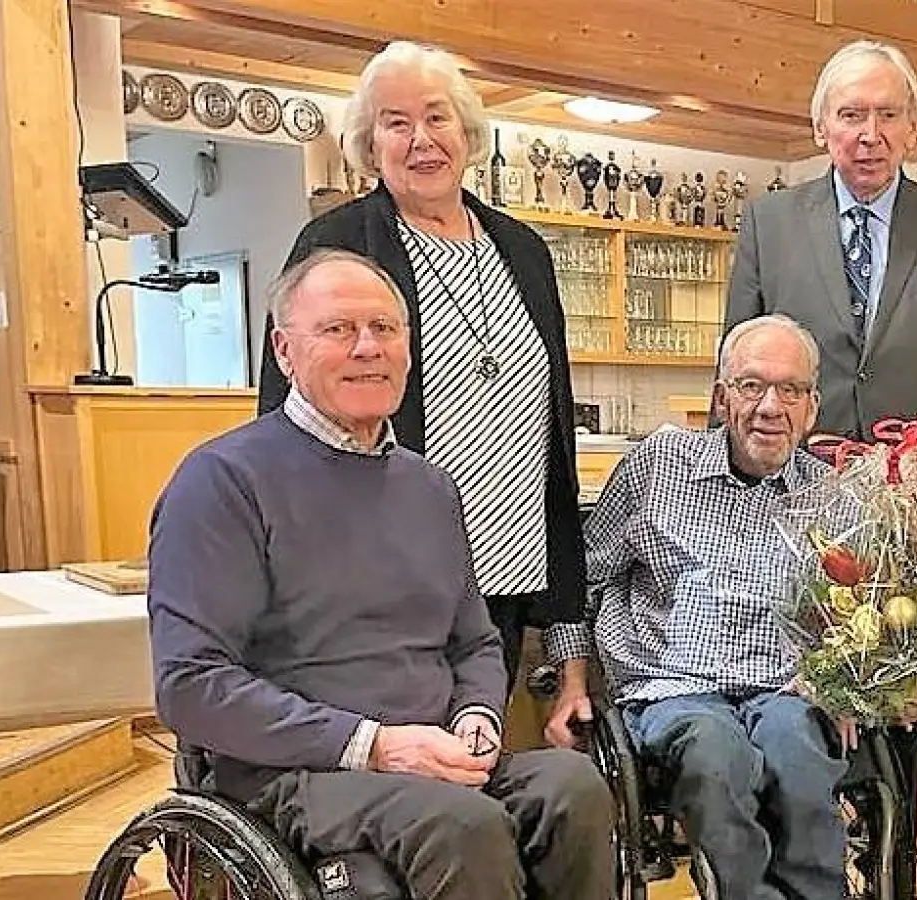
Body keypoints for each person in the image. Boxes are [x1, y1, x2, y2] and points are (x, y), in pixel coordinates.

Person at [149, 250, 614, 900]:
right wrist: (375, 745)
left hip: (431, 760)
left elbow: (473, 642)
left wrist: (476, 716)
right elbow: (191, 686)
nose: (368, 348)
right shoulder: (223, 481)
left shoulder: (429, 488)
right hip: (294, 771)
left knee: (573, 788)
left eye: (386, 329)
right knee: (460, 825)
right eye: (338, 330)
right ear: (284, 351)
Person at [255, 41, 583, 688]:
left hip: (507, 573)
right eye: (395, 122)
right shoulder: (335, 243)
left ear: (467, 131)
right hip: (383, 580)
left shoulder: (524, 252)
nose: (420, 140)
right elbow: (282, 412)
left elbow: (555, 431)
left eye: (436, 117)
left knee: (477, 756)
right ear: (369, 144)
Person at [542, 315, 847, 900]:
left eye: (790, 389)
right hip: (673, 688)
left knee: (799, 754)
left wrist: (849, 682)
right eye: (750, 385)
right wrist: (573, 683)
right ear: (721, 397)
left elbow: (857, 611)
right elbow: (582, 581)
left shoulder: (830, 495)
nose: (769, 406)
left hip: (785, 687)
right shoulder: (658, 466)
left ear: (812, 408)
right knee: (716, 755)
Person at [724, 39, 917, 487]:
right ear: (821, 127)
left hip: (915, 492)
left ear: (913, 128)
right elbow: (734, 366)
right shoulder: (769, 223)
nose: (871, 134)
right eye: (851, 115)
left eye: (888, 115)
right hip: (796, 484)